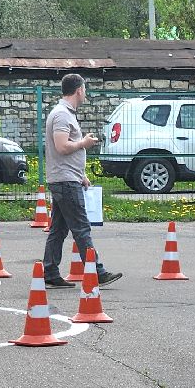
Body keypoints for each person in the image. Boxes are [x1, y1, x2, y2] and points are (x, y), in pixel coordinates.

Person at [42, 73, 121, 289]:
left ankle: (50, 271)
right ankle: (97, 271)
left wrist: (81, 174)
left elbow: (64, 151)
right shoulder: (61, 115)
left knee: (59, 229)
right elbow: (61, 147)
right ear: (79, 90)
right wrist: (83, 143)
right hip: (65, 182)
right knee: (81, 228)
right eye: (84, 90)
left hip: (67, 178)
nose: (85, 94)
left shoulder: (64, 113)